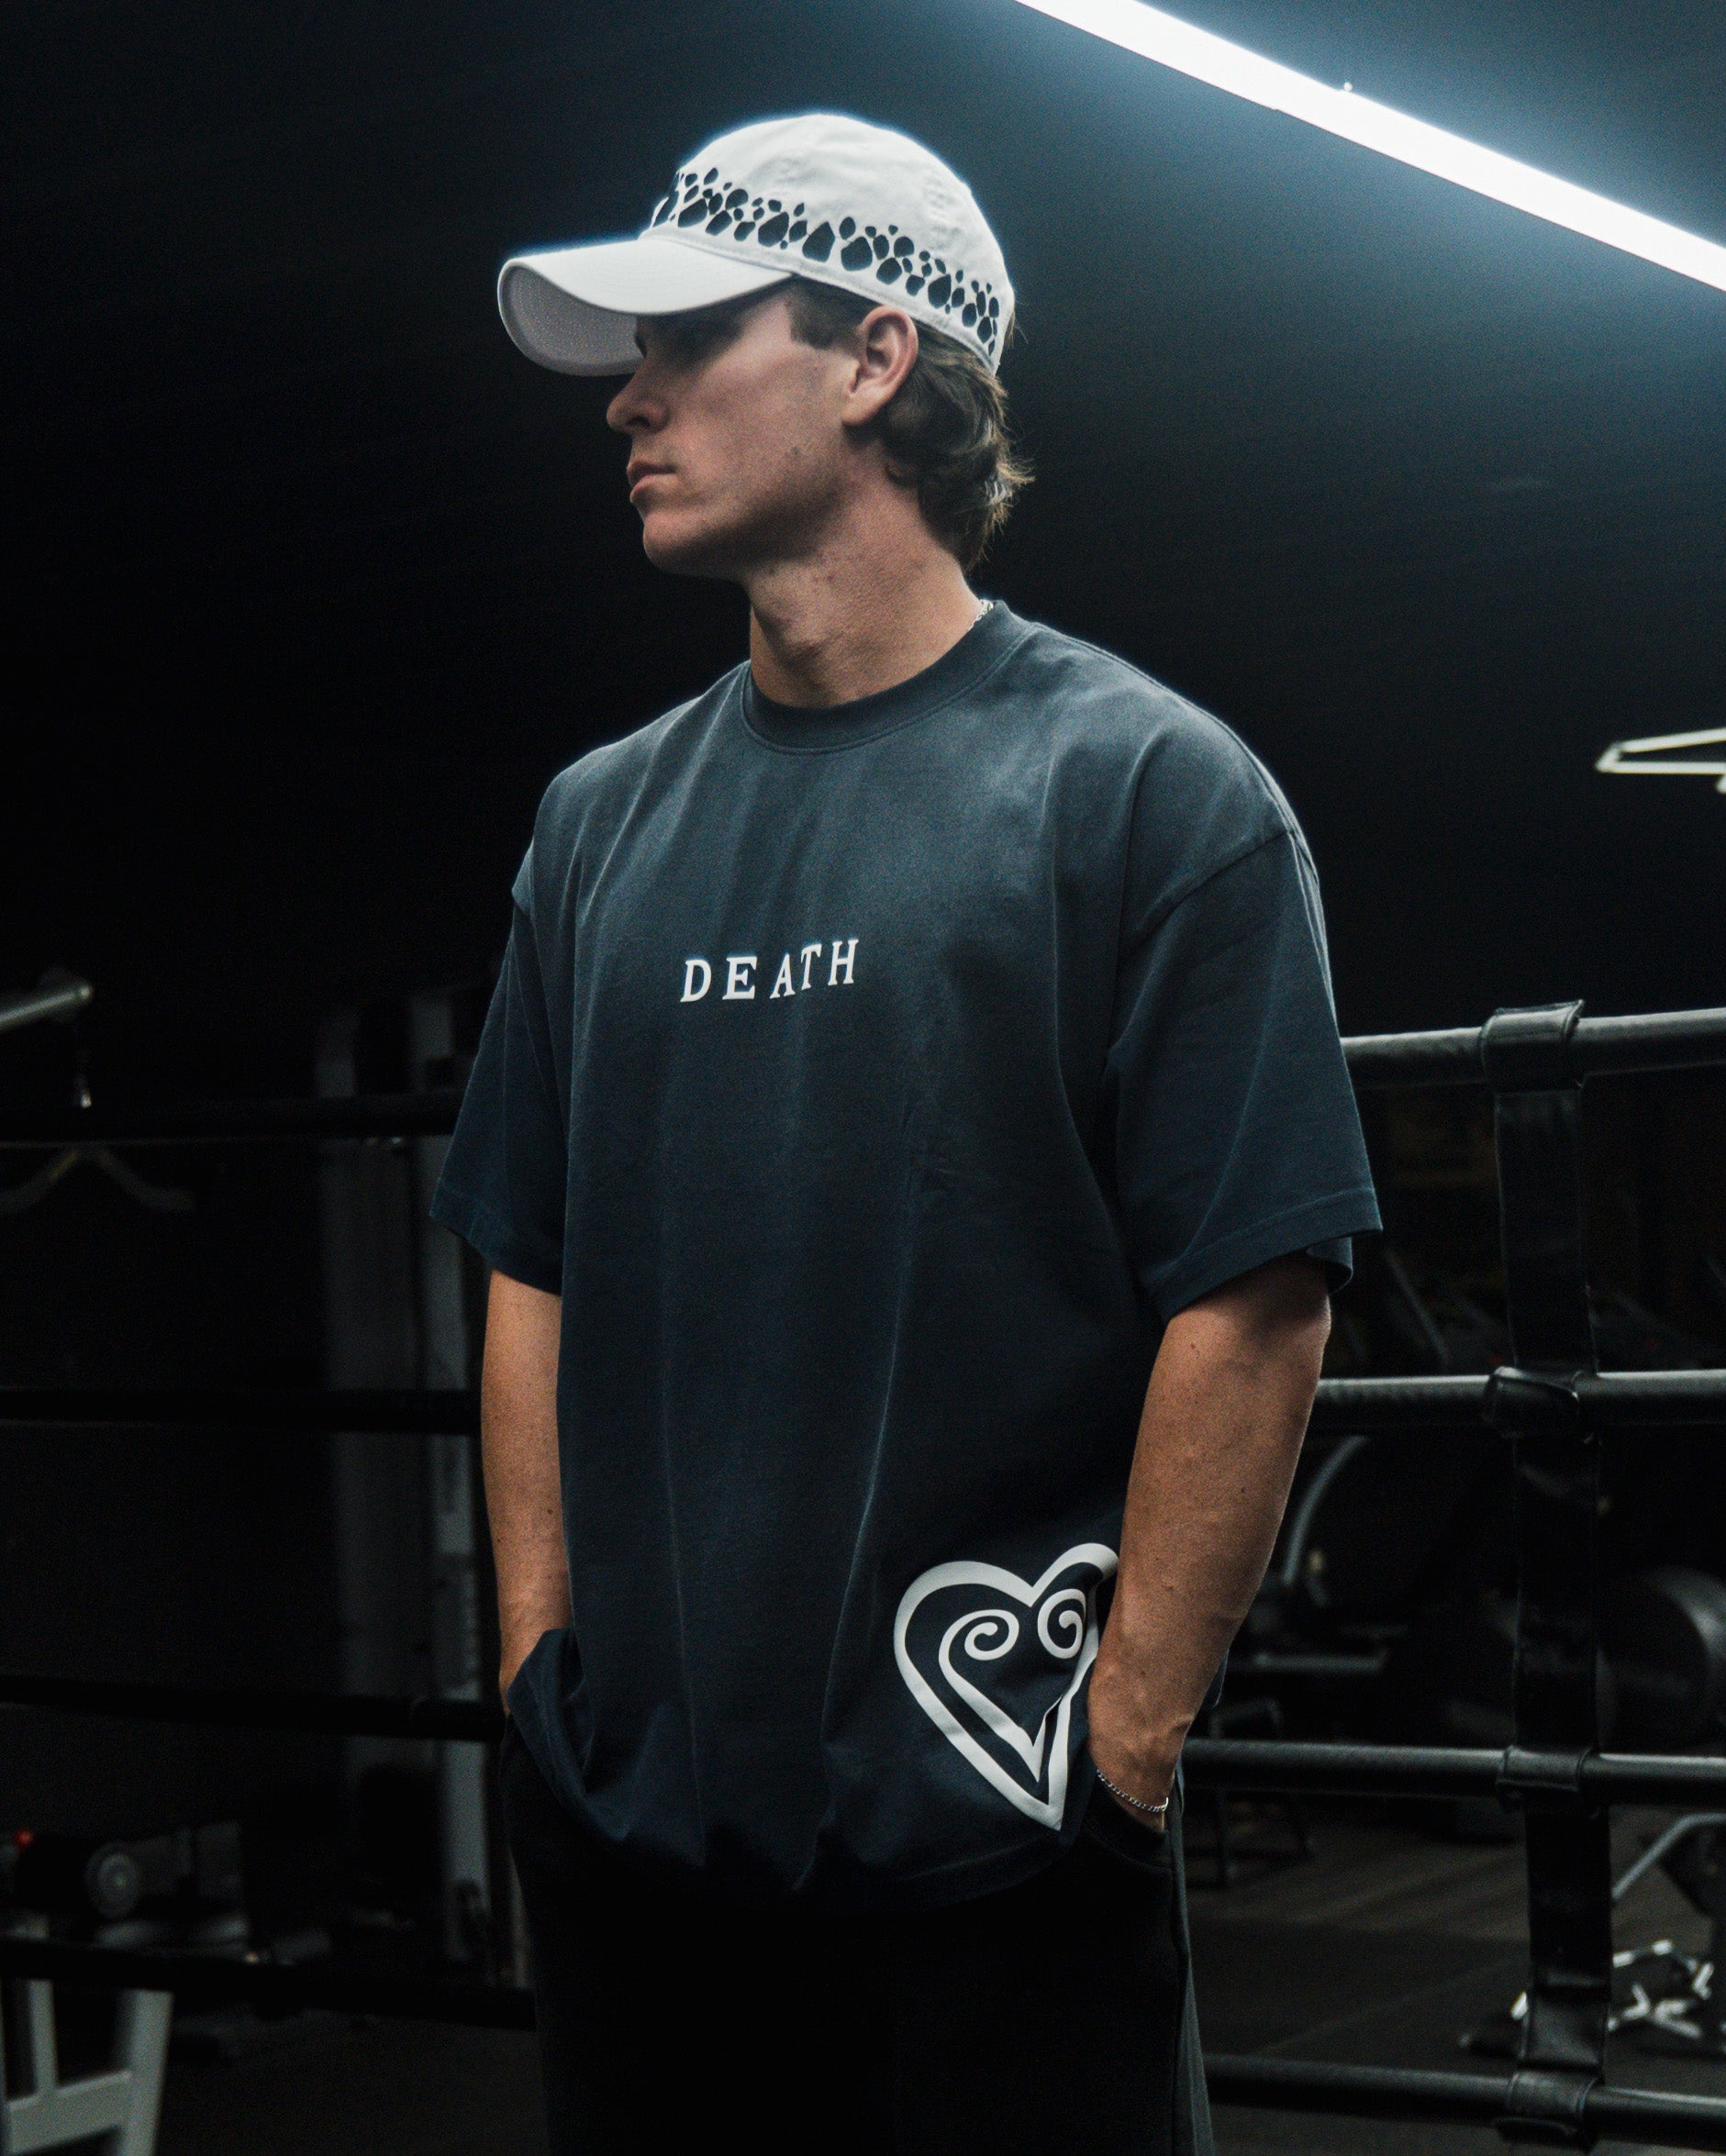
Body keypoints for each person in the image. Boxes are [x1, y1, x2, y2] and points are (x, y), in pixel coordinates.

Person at [433, 110, 1379, 2156]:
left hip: (998, 1832)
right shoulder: (595, 826)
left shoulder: (1148, 791)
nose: (631, 395)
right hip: (642, 1839)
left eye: (692, 335)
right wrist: (538, 1670)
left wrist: (1117, 1752)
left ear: (874, 359)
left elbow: (1257, 1295)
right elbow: (531, 1257)